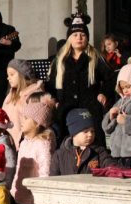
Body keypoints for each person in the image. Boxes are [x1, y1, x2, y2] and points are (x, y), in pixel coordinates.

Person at [46, 13, 115, 145]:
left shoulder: (95, 58)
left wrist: (103, 93)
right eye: (75, 35)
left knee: (93, 140)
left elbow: (111, 78)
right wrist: (54, 100)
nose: (79, 38)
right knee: (65, 141)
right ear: (69, 38)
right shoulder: (60, 60)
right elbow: (51, 84)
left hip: (90, 107)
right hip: (66, 108)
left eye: (83, 35)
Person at [50, 108, 117, 176]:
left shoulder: (99, 152)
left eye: (92, 131)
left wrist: (115, 169)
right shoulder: (59, 155)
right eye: (85, 131)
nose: (90, 134)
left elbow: (109, 164)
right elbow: (53, 178)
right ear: (74, 133)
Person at [2, 59, 45, 147]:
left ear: (22, 75)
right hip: (7, 142)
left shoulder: (34, 95)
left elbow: (34, 124)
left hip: (24, 144)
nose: (8, 78)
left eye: (12, 74)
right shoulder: (10, 95)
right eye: (8, 75)